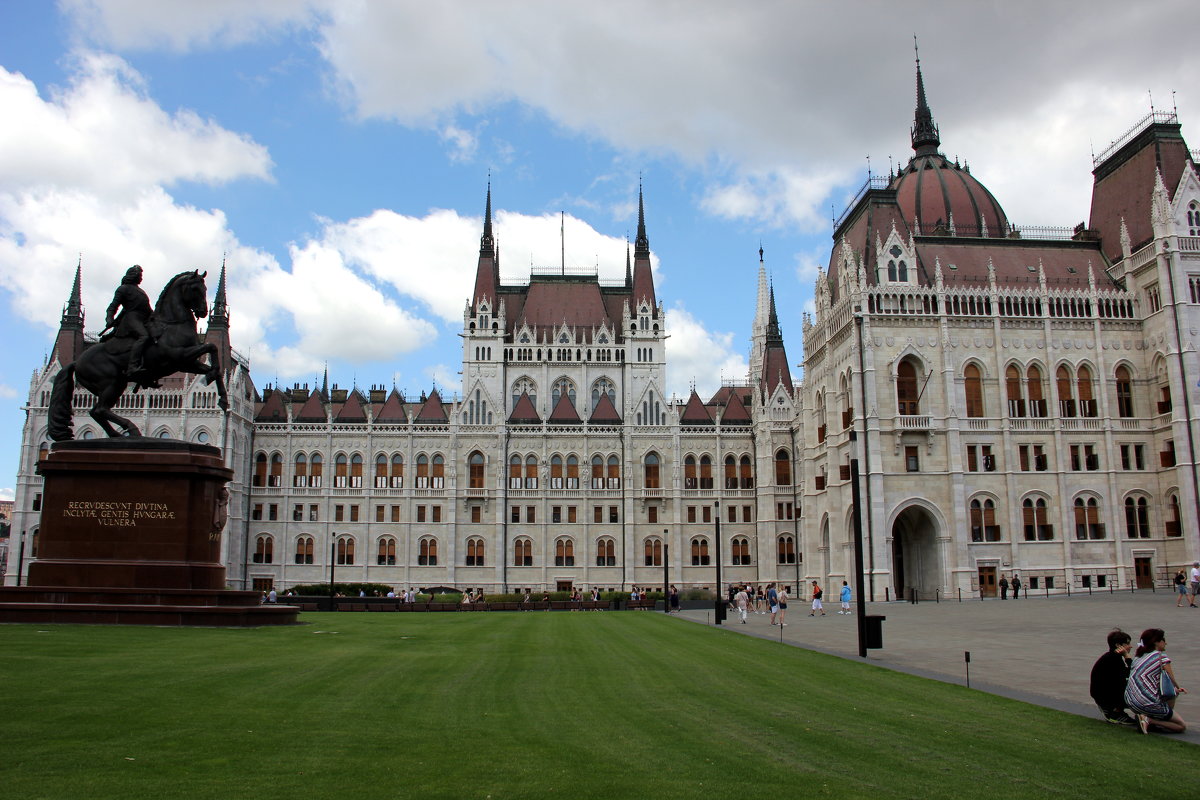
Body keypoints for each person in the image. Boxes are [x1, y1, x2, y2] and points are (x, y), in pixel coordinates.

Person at [1125, 628, 1187, 734]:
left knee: (1166, 693)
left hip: (1130, 700)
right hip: (1146, 702)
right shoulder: (1161, 657)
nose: (1165, 643)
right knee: (1181, 726)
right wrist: (1177, 688)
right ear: (1156, 642)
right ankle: (1150, 720)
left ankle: (1149, 718)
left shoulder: (1138, 657)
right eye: (1163, 640)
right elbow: (1171, 681)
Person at [104, 264, 154, 378]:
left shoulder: (141, 292)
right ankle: (132, 367)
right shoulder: (123, 289)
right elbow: (113, 306)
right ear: (133, 275)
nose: (141, 278)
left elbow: (148, 310)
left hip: (143, 319)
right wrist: (109, 318)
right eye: (140, 275)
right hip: (131, 319)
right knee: (144, 336)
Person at [1089, 628, 1134, 725]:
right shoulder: (1112, 659)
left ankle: (1115, 709)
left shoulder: (1112, 657)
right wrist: (1127, 658)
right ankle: (1114, 712)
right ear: (1118, 645)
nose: (1131, 646)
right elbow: (1131, 674)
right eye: (1128, 643)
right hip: (1105, 696)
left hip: (1105, 694)